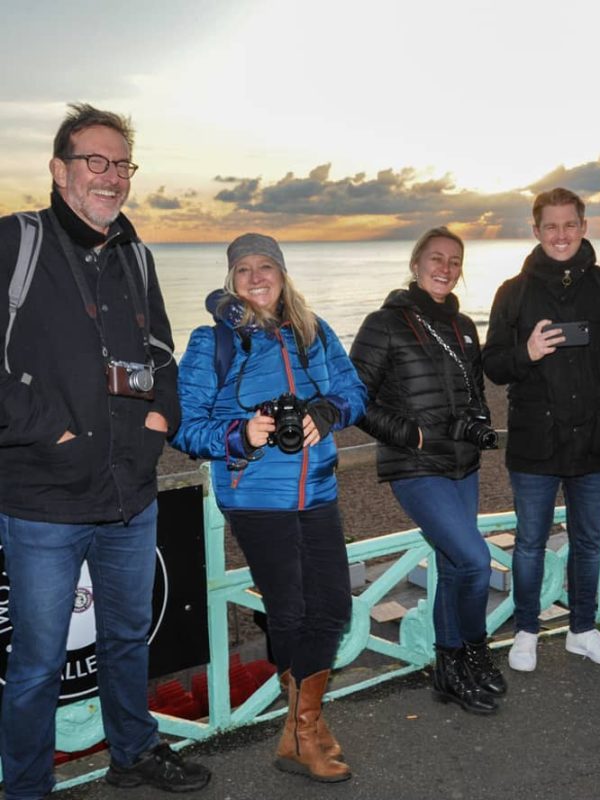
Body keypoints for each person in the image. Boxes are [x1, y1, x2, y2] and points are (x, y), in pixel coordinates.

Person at [0, 104, 211, 798]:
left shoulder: (137, 253)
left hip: (131, 493)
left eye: (121, 164)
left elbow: (162, 355)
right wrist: (48, 432)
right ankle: (27, 787)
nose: (111, 176)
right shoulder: (16, 242)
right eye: (95, 161)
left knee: (126, 641)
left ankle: (133, 752)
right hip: (43, 499)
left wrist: (161, 421)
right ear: (60, 170)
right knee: (34, 663)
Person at [172, 233, 366, 782]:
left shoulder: (314, 331)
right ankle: (309, 733)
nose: (256, 277)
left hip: (319, 489)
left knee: (333, 606)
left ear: (283, 274)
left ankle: (296, 731)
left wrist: (327, 412)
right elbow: (185, 427)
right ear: (231, 279)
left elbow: (356, 390)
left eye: (266, 267)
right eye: (243, 270)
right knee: (291, 610)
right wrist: (241, 433)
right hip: (256, 496)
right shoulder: (212, 342)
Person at [483, 188, 600, 672]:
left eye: (570, 225)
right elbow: (493, 364)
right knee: (531, 542)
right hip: (534, 441)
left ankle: (583, 629)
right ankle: (526, 632)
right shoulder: (512, 292)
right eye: (550, 226)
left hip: (596, 437)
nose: (561, 235)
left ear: (583, 226)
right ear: (535, 231)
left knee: (588, 541)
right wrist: (527, 353)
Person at [349, 227, 505, 716]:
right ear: (416, 264)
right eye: (435, 258)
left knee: (453, 565)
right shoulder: (385, 324)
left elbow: (474, 392)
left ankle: (449, 671)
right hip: (416, 466)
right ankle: (472, 654)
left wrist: (478, 422)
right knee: (476, 562)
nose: (445, 267)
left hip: (462, 464)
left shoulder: (462, 327)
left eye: (455, 261)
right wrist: (409, 434)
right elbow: (353, 397)